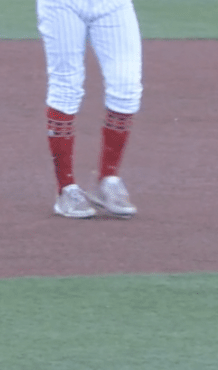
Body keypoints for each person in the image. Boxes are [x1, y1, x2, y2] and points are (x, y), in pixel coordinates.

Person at [38, 0, 144, 218]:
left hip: (113, 5)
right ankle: (66, 189)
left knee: (127, 87)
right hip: (62, 4)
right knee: (66, 87)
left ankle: (108, 180)